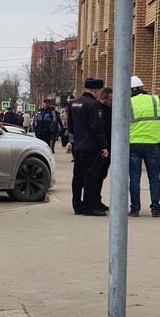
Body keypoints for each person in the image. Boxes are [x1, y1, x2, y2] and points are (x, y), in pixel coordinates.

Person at [128, 76, 160, 217]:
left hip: (133, 144)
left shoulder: (128, 102)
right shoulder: (155, 100)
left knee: (134, 177)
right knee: (154, 177)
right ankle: (156, 209)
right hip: (152, 144)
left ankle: (135, 209)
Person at [69, 78, 109, 216]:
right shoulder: (93, 105)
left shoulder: (74, 103)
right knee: (90, 177)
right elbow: (97, 128)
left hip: (78, 146)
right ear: (96, 91)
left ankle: (77, 206)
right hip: (91, 147)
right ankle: (89, 207)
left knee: (77, 177)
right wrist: (104, 146)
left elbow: (71, 127)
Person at [94, 87, 113, 211]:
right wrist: (103, 146)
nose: (112, 102)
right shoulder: (98, 109)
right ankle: (94, 201)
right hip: (101, 147)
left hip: (109, 145)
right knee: (96, 174)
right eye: (110, 100)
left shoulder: (109, 109)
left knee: (102, 174)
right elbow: (99, 129)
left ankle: (97, 199)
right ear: (104, 98)